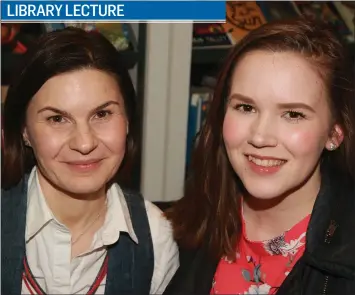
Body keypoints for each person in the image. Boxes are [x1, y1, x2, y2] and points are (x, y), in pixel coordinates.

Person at [164, 18, 355, 295]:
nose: (260, 137)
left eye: (293, 114)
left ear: (334, 133)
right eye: (245, 107)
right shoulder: (175, 231)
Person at [1, 27, 179, 295]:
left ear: (128, 119)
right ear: (24, 131)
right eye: (57, 119)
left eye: (102, 114)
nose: (84, 143)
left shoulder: (158, 238)